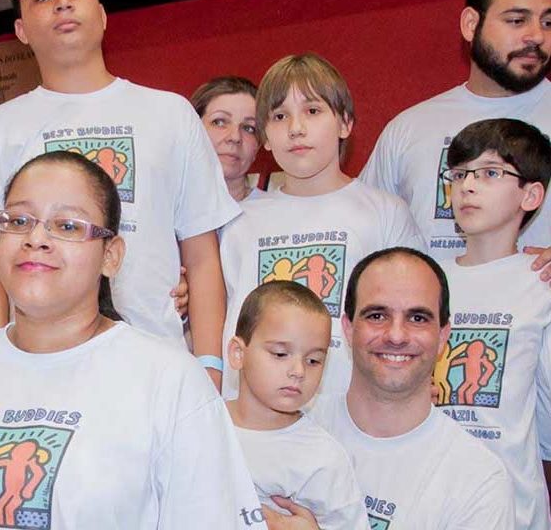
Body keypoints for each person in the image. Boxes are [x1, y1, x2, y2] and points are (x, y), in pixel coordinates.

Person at [0, 151, 264, 529]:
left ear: (111, 256)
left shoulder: (168, 381)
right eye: (18, 221)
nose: (36, 238)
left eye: (67, 226)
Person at [0, 0, 237, 384]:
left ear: (103, 14)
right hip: (40, 370)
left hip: (155, 367)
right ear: (21, 31)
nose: (63, 3)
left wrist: (209, 367)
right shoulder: (0, 128)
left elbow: (203, 257)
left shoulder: (168, 113)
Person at [219, 54, 423, 398]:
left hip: (353, 413)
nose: (296, 128)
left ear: (344, 122)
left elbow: (411, 316)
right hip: (254, 422)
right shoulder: (238, 220)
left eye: (312, 111)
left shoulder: (384, 212)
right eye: (280, 116)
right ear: (266, 136)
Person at [360, 0, 551, 276]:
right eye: (517, 20)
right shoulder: (410, 129)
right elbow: (364, 239)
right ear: (470, 24)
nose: (536, 35)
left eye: (548, 21)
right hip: (431, 324)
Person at [308, 247, 515, 528]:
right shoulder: (295, 427)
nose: (396, 335)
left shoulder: (479, 481)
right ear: (348, 327)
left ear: (443, 336)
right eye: (377, 316)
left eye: (417, 318)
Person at [434, 118, 551, 528]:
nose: (467, 186)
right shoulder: (422, 281)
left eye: (490, 173)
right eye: (460, 174)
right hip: (429, 498)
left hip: (513, 505)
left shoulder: (541, 283)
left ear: (531, 194)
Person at [226, 281, 368, 530]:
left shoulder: (324, 458)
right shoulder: (198, 426)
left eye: (313, 360)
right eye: (280, 354)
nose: (298, 371)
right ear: (238, 353)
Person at [191, 76, 265, 201]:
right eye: (219, 122)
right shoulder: (161, 209)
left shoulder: (275, 215)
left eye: (249, 128)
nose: (235, 137)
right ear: (193, 129)